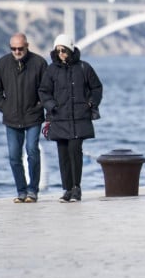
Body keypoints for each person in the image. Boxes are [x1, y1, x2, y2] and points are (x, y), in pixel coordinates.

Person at [39, 34, 103, 202]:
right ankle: (67, 189)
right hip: (59, 118)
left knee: (75, 152)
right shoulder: (51, 70)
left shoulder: (84, 67)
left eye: (64, 50)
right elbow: (43, 91)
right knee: (63, 156)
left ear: (70, 49)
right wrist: (51, 105)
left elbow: (96, 87)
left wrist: (91, 103)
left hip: (79, 119)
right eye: (58, 50)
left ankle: (76, 188)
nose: (61, 53)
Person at [0, 32, 48, 203]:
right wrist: (4, 107)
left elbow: (47, 90)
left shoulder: (39, 63)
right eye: (13, 48)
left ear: (27, 46)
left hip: (33, 118)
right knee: (14, 156)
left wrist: (39, 107)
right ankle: (21, 191)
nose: (16, 51)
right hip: (11, 119)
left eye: (20, 48)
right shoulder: (2, 64)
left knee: (32, 151)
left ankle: (33, 191)